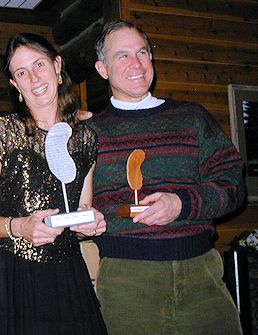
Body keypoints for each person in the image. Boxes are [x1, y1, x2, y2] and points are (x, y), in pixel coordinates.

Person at [89, 19, 245, 335]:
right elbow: (80, 208)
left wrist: (182, 204)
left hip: (201, 273)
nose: (137, 63)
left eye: (143, 52)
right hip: (126, 282)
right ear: (102, 69)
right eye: (122, 56)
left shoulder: (193, 118)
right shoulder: (90, 134)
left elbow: (234, 185)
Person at [0, 33, 108, 335]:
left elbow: (83, 210)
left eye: (39, 64)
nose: (34, 77)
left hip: (67, 274)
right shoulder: (4, 131)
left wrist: (91, 222)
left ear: (57, 65)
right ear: (15, 85)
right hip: (12, 275)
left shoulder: (85, 138)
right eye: (21, 72)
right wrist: (19, 227)